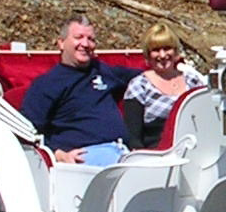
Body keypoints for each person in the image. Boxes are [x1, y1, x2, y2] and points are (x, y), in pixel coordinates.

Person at [19, 13, 140, 167]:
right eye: (78, 37)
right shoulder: (47, 84)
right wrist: (57, 154)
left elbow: (143, 78)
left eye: (90, 39)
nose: (85, 43)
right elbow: (27, 131)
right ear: (61, 43)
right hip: (84, 158)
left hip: (123, 151)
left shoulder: (102, 70)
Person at [122, 22, 205, 150]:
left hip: (195, 149)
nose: (162, 55)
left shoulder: (192, 80)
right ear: (148, 55)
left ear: (175, 51)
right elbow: (133, 139)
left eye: (167, 48)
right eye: (156, 50)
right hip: (158, 154)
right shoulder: (139, 86)